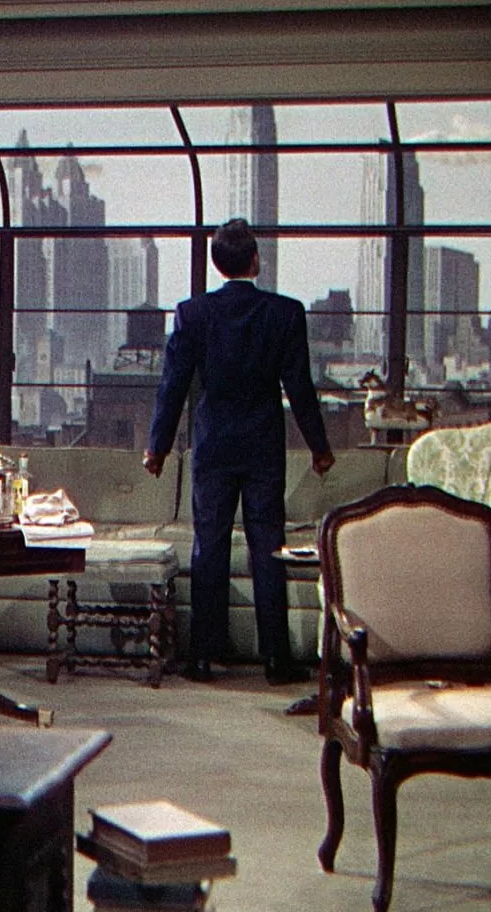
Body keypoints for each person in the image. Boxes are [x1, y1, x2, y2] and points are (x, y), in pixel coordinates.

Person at [144, 218, 335, 686]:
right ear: (256, 261)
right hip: (263, 446)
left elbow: (173, 386)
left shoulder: (192, 314)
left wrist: (157, 447)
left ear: (216, 264)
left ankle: (203, 658)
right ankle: (276, 660)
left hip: (212, 445)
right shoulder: (285, 313)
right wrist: (319, 448)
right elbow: (300, 388)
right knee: (269, 548)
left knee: (208, 546)